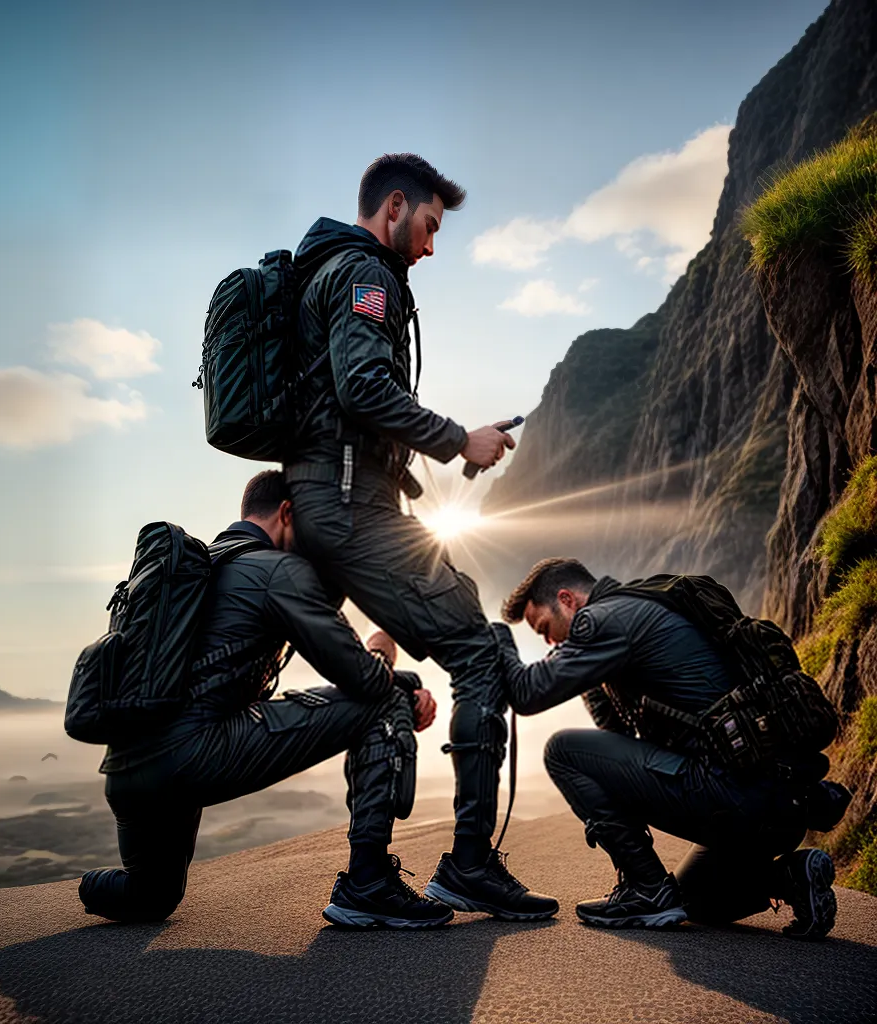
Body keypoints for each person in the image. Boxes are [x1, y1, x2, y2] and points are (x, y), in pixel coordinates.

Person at [282, 152, 558, 921]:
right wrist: (457, 440)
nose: (433, 246)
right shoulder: (365, 274)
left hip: (337, 506)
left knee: (380, 676)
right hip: (349, 512)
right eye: (431, 227)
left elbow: (346, 406)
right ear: (395, 206)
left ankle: (368, 879)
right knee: (479, 651)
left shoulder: (334, 272)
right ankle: (467, 866)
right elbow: (363, 389)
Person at [78, 470, 452, 929]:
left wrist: (400, 680)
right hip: (193, 759)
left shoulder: (197, 569)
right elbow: (366, 681)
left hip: (128, 775)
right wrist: (385, 648)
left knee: (152, 896)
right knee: (385, 699)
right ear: (288, 513)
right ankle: (368, 885)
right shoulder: (279, 569)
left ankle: (87, 887)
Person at [491, 556, 840, 938]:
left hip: (734, 796)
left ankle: (646, 889)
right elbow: (620, 745)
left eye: (544, 627)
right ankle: (792, 877)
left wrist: (500, 640)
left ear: (568, 599)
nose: (550, 642)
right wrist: (593, 683)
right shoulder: (646, 606)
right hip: (780, 806)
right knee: (696, 901)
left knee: (563, 751)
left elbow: (527, 694)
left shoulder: (603, 619)